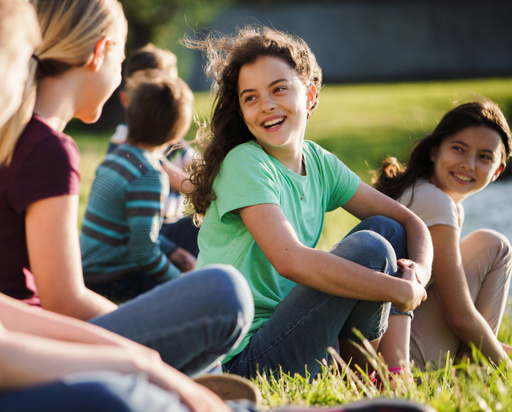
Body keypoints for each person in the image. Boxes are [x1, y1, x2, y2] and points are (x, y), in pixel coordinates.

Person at [0, 2, 443, 412]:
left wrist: (137, 355)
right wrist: (141, 369)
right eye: (23, 72)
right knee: (102, 400)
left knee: (164, 341)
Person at [0, 0, 254, 385]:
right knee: (223, 291)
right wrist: (135, 336)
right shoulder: (48, 149)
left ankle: (192, 384)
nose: (121, 75)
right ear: (100, 52)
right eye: (121, 58)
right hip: (35, 349)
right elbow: (64, 301)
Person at [184, 26, 434, 382]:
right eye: (250, 98)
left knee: (386, 229)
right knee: (369, 247)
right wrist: (397, 290)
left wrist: (416, 277)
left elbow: (410, 224)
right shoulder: (245, 162)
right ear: (241, 111)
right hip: (244, 360)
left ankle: (379, 369)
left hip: (298, 330)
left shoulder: (318, 162)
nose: (266, 105)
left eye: (279, 89)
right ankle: (372, 375)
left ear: (311, 94)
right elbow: (291, 260)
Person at [374, 100, 512, 370]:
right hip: (393, 353)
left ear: (497, 171)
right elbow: (459, 316)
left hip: (386, 339)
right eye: (458, 149)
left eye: (484, 157)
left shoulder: (423, 192)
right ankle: (477, 373)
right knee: (495, 246)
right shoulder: (435, 202)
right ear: (435, 151)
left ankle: (479, 365)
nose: (468, 164)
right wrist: (505, 368)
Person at [81, 71, 197, 300]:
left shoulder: (119, 156)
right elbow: (144, 252)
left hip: (89, 271)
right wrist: (180, 281)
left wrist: (174, 252)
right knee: (196, 294)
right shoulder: (150, 176)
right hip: (113, 278)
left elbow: (137, 232)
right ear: (176, 135)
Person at [106, 43, 199, 257]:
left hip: (164, 230)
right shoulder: (127, 145)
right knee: (196, 229)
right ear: (128, 99)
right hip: (141, 235)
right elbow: (191, 186)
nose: (167, 103)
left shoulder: (172, 142)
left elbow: (198, 167)